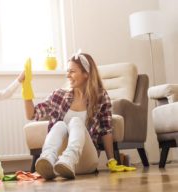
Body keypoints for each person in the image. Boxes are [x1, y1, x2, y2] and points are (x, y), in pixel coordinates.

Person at [22, 51, 135, 180]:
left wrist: (112, 160)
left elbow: (106, 130)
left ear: (86, 74)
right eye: (67, 71)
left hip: (85, 160)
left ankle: (69, 159)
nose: (68, 75)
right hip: (58, 164)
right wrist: (26, 87)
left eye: (72, 71)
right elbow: (32, 114)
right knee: (59, 125)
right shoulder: (59, 96)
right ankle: (47, 158)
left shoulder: (100, 97)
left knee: (75, 121)